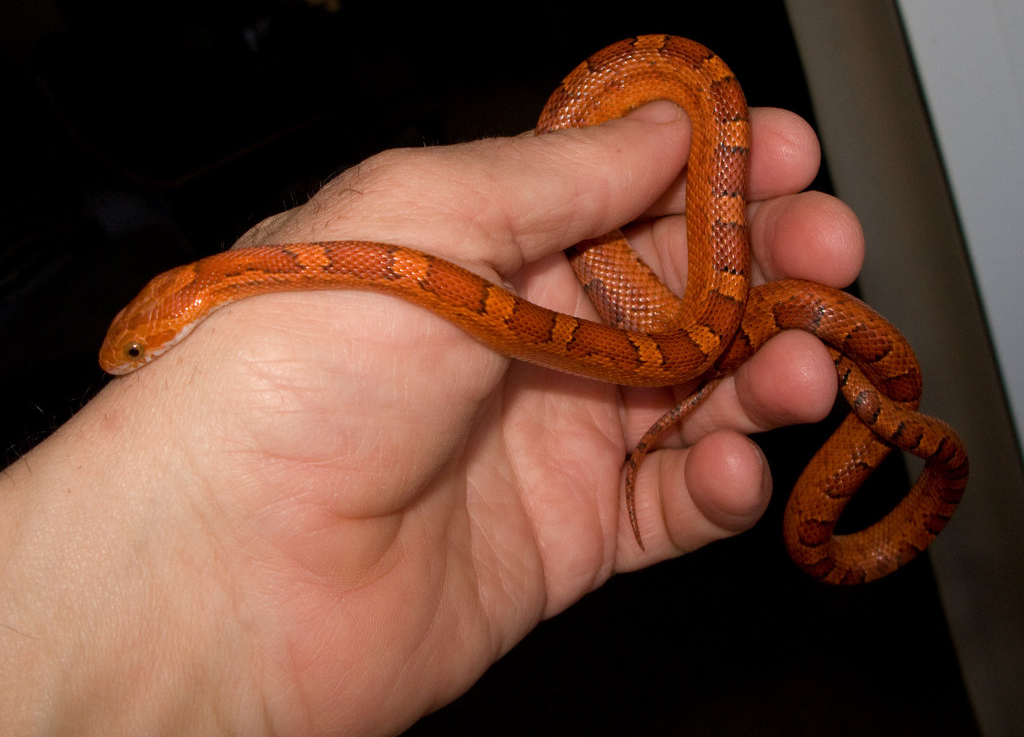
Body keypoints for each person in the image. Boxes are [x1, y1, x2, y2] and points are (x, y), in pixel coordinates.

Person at [0, 101, 862, 734]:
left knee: (724, 334)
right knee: (718, 350)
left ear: (176, 302)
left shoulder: (247, 277)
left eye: (139, 350)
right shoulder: (244, 279)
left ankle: (857, 386)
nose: (131, 360)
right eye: (139, 350)